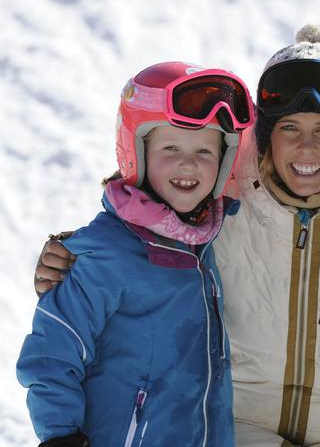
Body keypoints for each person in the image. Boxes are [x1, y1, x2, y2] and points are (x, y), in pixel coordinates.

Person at [30, 25, 320, 446]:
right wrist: (76, 252)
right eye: (289, 129)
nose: (306, 148)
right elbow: (146, 220)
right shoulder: (226, 198)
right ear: (266, 139)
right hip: (236, 428)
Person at [17, 61, 255, 447]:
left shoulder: (207, 241)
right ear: (136, 152)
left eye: (205, 152)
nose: (188, 163)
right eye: (171, 147)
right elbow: (53, 350)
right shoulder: (108, 251)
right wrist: (60, 435)